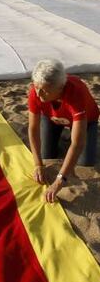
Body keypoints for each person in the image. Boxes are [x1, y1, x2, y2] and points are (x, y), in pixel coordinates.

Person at [28, 59, 99, 203]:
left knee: (85, 163)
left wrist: (60, 180)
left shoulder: (76, 93)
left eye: (45, 90)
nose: (39, 93)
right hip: (53, 118)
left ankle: (79, 132)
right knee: (46, 154)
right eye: (36, 87)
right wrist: (38, 164)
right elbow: (33, 128)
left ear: (60, 88)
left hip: (87, 120)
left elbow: (77, 144)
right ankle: (61, 132)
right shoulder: (35, 92)